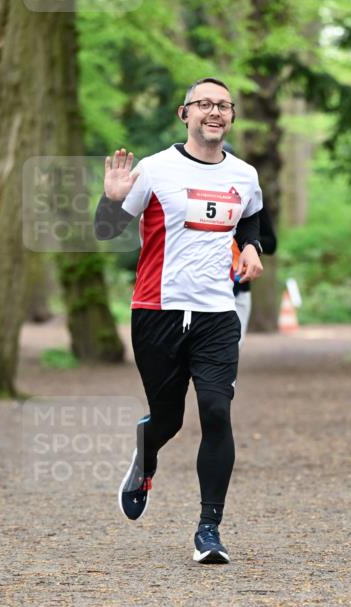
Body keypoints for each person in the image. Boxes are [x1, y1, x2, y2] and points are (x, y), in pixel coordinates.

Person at [94, 76, 265, 564]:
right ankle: (145, 453)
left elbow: (251, 215)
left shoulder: (245, 174)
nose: (214, 112)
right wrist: (110, 198)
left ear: (231, 116)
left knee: (215, 410)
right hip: (157, 312)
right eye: (204, 104)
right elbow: (106, 231)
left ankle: (209, 529)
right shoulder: (154, 170)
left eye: (223, 105)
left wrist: (250, 246)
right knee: (168, 418)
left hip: (217, 313)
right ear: (184, 114)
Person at [224, 143, 277, 341]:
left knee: (230, 353)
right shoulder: (195, 197)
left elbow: (271, 244)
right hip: (201, 288)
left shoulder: (248, 196)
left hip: (239, 288)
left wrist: (248, 243)